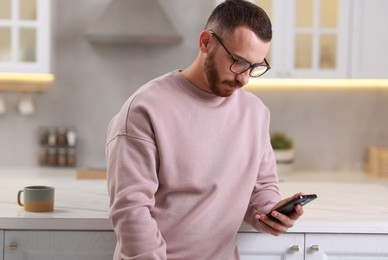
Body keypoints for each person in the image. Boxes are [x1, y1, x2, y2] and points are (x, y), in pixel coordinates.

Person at [106, 0, 304, 259]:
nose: (244, 78)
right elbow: (131, 209)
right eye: (238, 61)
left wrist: (271, 213)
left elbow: (262, 186)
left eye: (255, 67)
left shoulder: (255, 113)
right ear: (206, 42)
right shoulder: (145, 109)